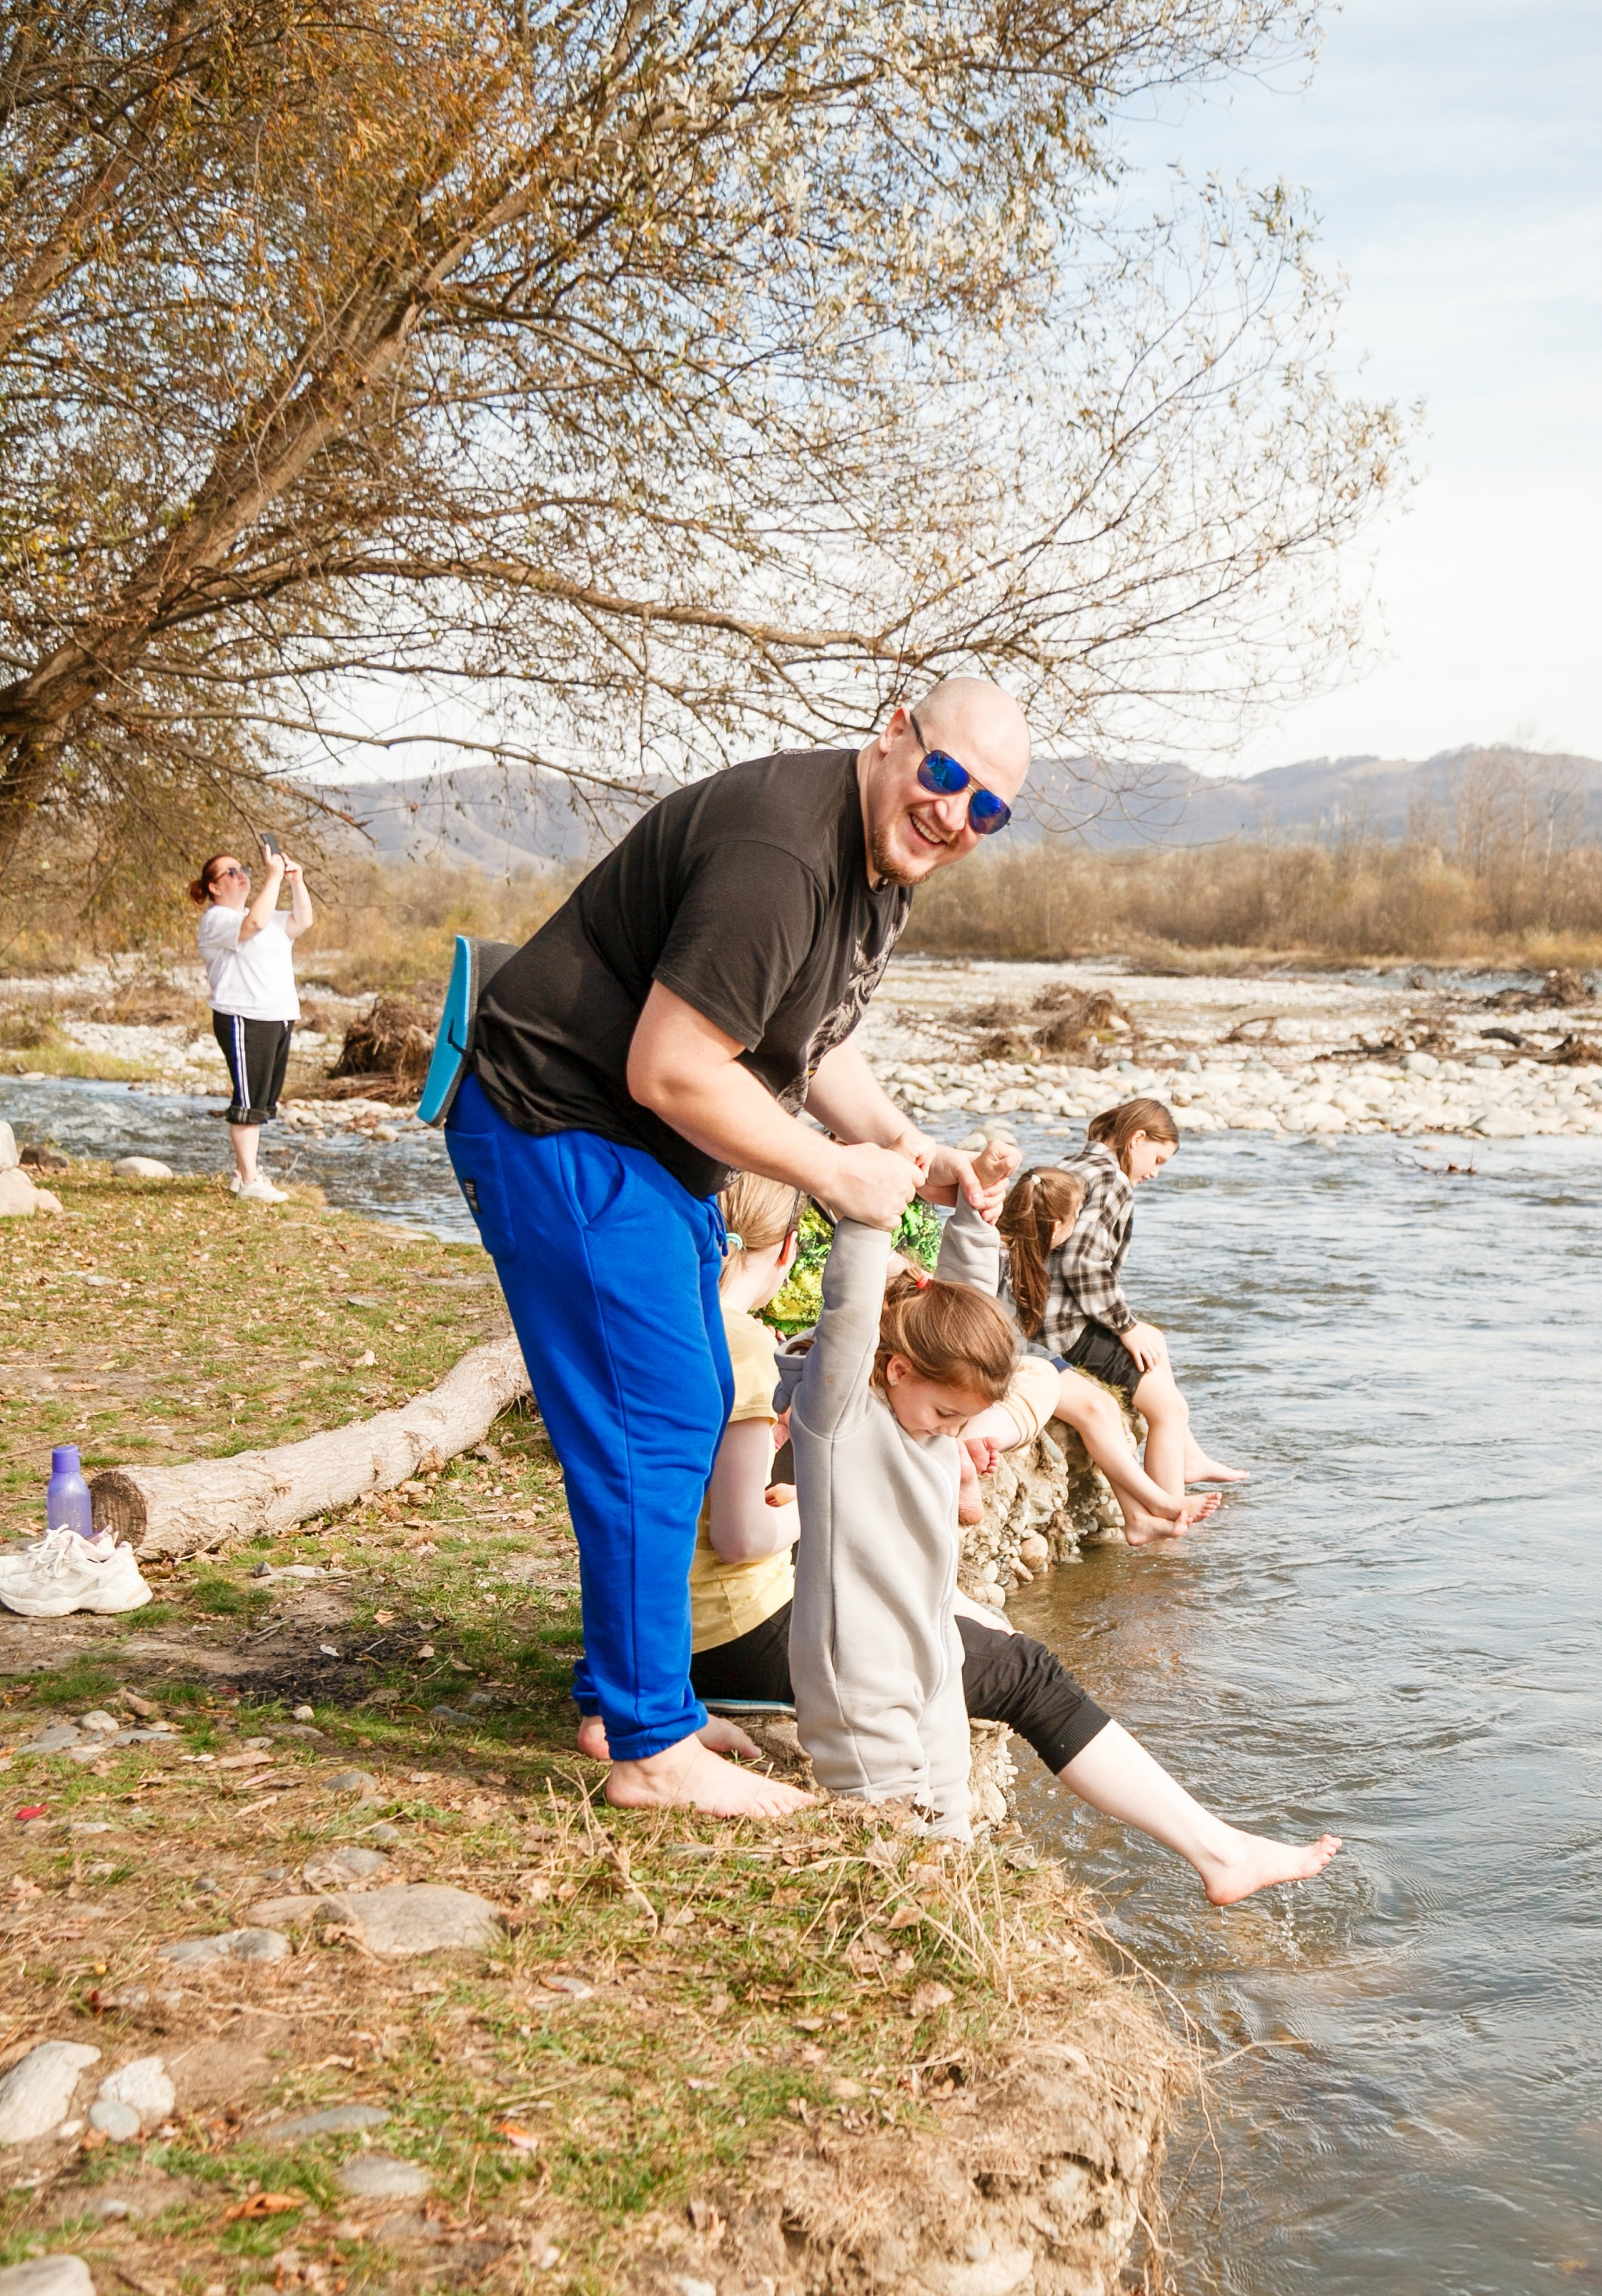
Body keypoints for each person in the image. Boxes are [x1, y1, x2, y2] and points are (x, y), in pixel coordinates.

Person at [447, 679, 1031, 1820]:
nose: (956, 816)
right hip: (556, 1121)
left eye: (989, 810)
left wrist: (913, 1153)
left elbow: (810, 1041)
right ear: (893, 735)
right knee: (656, 1414)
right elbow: (669, 1067)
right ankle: (651, 1749)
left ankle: (625, 1699)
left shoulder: (877, 869)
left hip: (639, 1146)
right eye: (947, 776)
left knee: (699, 1392)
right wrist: (827, 1172)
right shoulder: (785, 857)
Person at [574, 1189, 1341, 1903]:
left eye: (962, 1418)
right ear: (897, 1367)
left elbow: (974, 1312)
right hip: (858, 1671)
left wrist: (974, 1209)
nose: (952, 1431)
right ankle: (908, 1941)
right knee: (903, 1844)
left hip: (927, 1655)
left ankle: (966, 1926)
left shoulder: (934, 1415)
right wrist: (867, 1212)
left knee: (951, 1828)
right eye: (944, 1411)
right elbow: (846, 1317)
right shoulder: (837, 1419)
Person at [987, 1152, 1221, 1543]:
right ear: (1058, 1224)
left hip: (1021, 1352)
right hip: (1001, 1358)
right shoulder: (997, 1255)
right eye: (1076, 1218)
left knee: (1104, 1406)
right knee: (1097, 1408)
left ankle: (1139, 1520)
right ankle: (1163, 1504)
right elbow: (990, 1330)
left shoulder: (1024, 1250)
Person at [1041, 1098, 1245, 1496]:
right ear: (1136, 1139)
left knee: (1155, 1339)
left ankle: (1189, 1457)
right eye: (1158, 1160)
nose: (1155, 1173)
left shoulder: (1071, 1164)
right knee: (1170, 1409)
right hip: (1060, 1325)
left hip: (1043, 1311)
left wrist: (1135, 1327)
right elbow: (1082, 1266)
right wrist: (1125, 1326)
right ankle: (1168, 1525)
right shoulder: (1110, 1179)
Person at [190, 845, 313, 1200]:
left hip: (278, 1015)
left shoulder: (265, 915)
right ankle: (248, 1181)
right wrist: (273, 876)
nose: (241, 873)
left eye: (243, 868)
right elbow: (253, 924)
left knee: (261, 1099)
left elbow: (302, 922)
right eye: (231, 872)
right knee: (247, 1099)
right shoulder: (217, 920)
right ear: (214, 886)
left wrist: (295, 880)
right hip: (243, 1015)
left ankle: (242, 1172)